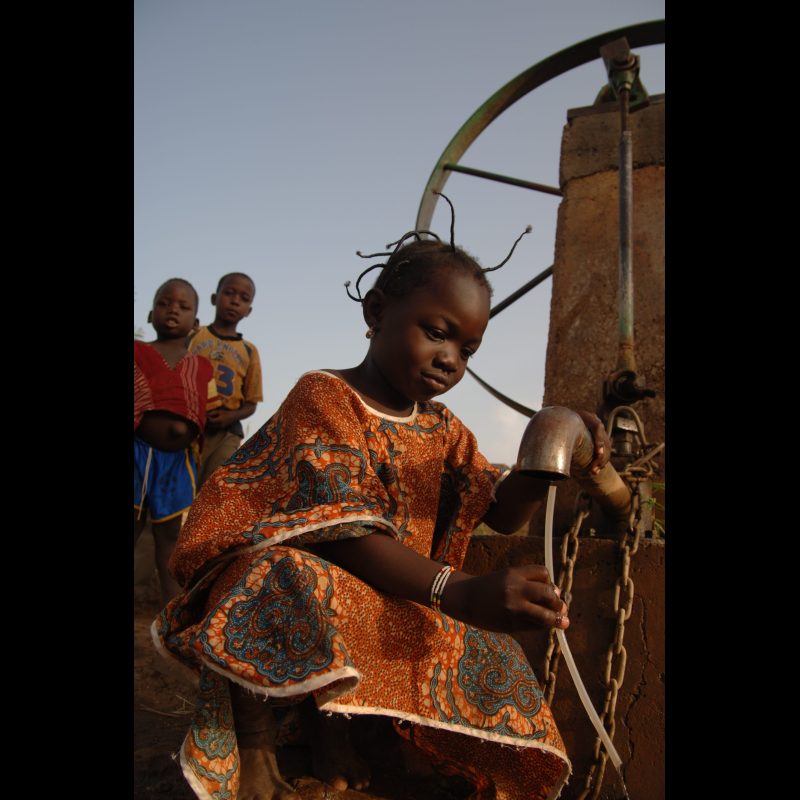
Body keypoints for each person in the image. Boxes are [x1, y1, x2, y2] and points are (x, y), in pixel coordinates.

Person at [153, 203, 610, 800]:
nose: (451, 359)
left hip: (385, 591)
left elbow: (499, 512)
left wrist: (550, 445)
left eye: (468, 349)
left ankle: (336, 729)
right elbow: (343, 533)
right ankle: (257, 739)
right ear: (376, 313)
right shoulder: (325, 395)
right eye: (437, 332)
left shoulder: (443, 426)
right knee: (285, 573)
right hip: (278, 584)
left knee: (488, 653)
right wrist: (461, 591)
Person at [134, 278, 221, 604]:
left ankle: (171, 608)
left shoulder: (202, 366)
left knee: (169, 533)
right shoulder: (138, 351)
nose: (173, 310)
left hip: (178, 461)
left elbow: (208, 409)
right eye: (164, 303)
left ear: (196, 324)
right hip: (138, 453)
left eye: (183, 307)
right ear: (150, 314)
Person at [188, 272, 263, 487]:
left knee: (213, 488)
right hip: (190, 426)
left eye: (244, 298)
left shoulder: (249, 351)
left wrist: (229, 416)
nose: (235, 301)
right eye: (229, 293)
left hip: (226, 433)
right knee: (180, 484)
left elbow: (251, 404)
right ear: (214, 298)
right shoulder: (194, 336)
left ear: (248, 310)